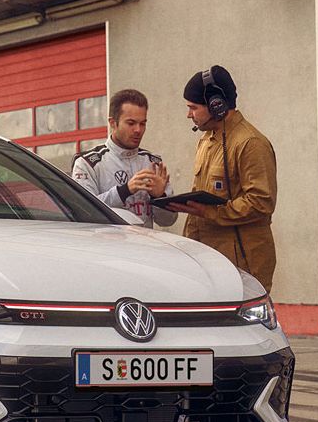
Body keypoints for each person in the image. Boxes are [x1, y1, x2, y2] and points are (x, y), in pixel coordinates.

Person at [169, 65, 277, 292]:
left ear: (216, 105)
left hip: (243, 262)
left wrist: (210, 212)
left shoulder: (250, 143)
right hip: (209, 259)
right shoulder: (206, 141)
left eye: (193, 107)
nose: (189, 114)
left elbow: (261, 202)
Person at [71, 88, 176, 229]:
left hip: (146, 247)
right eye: (131, 123)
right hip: (107, 248)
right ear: (113, 123)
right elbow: (83, 212)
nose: (138, 130)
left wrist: (159, 197)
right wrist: (124, 191)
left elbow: (168, 221)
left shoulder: (153, 162)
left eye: (143, 123)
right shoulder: (88, 163)